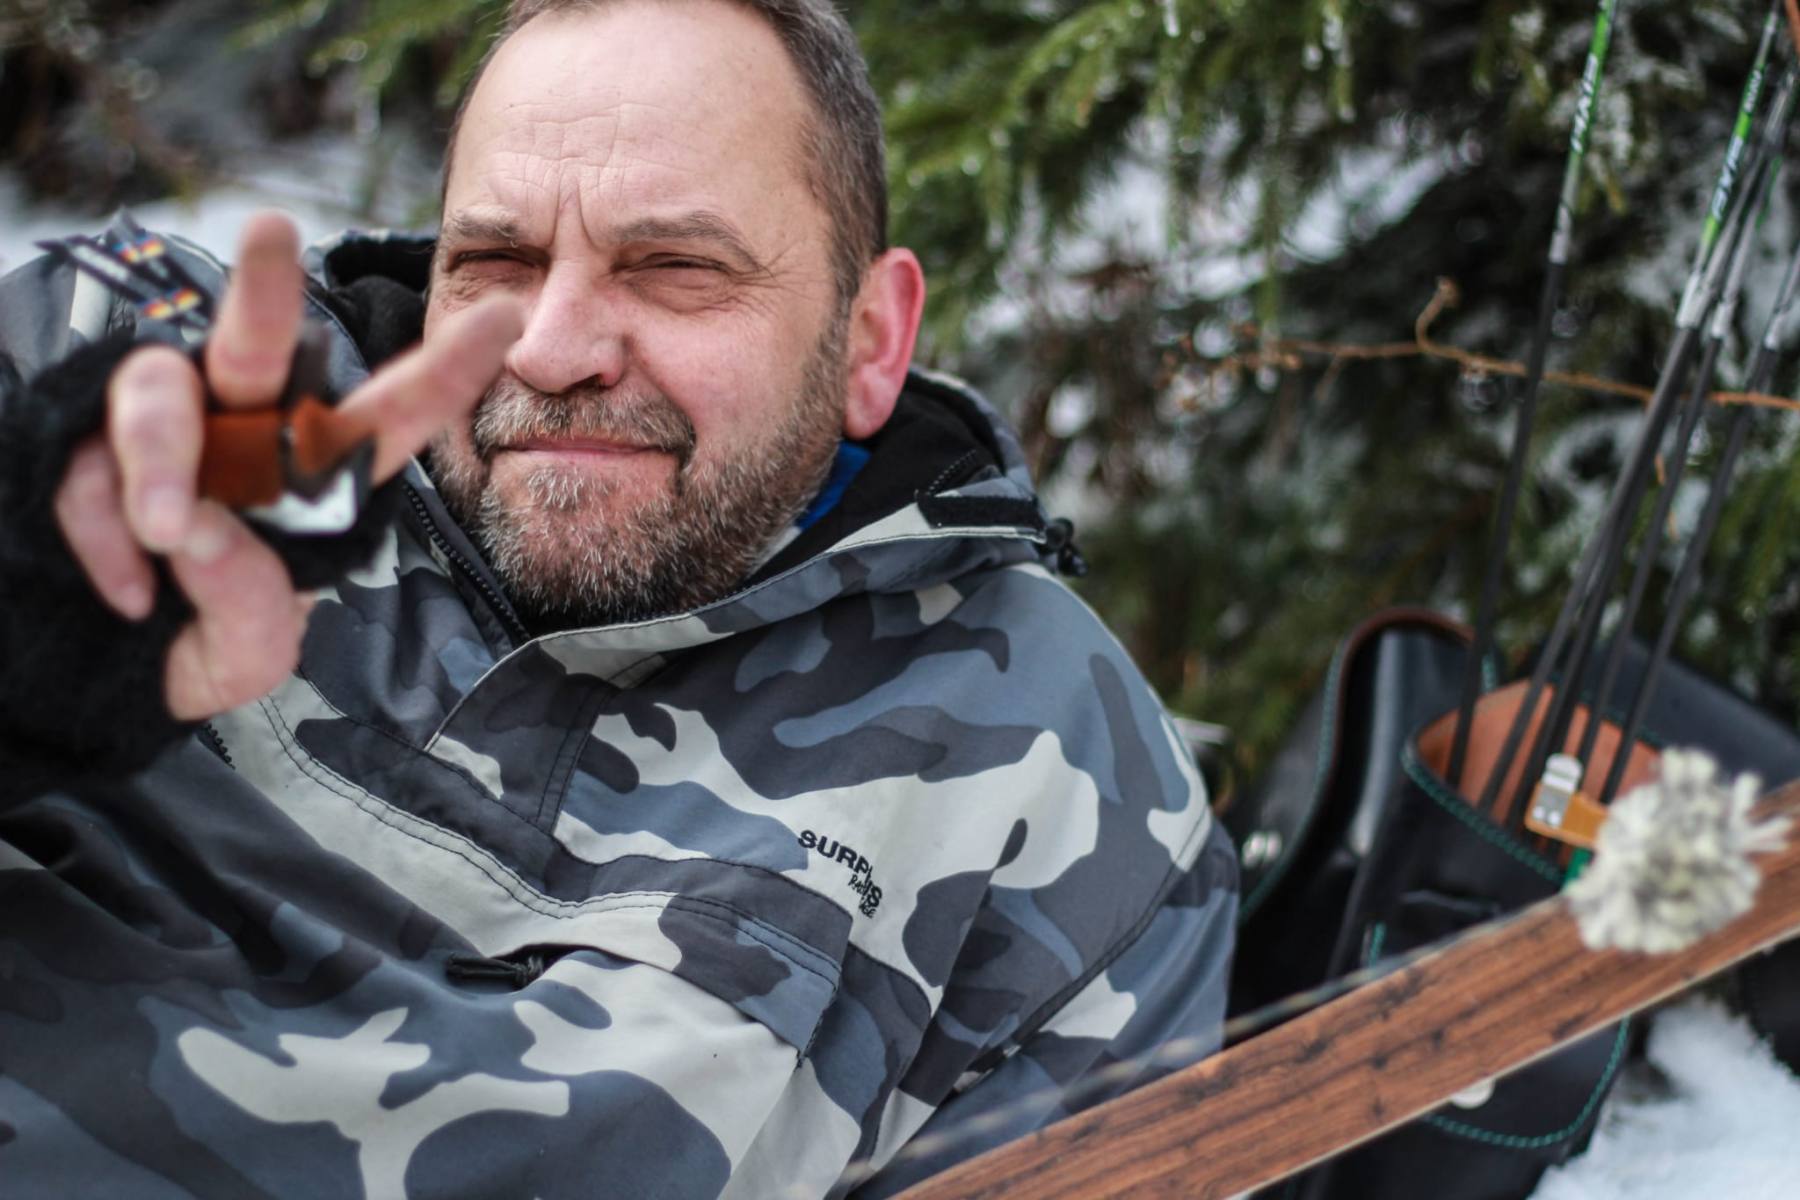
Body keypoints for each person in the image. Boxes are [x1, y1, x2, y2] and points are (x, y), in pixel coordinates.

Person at [0, 0, 1238, 1195]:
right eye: (495, 261)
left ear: (870, 339)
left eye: (674, 267)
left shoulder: (1061, 789)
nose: (552, 349)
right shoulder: (127, 380)